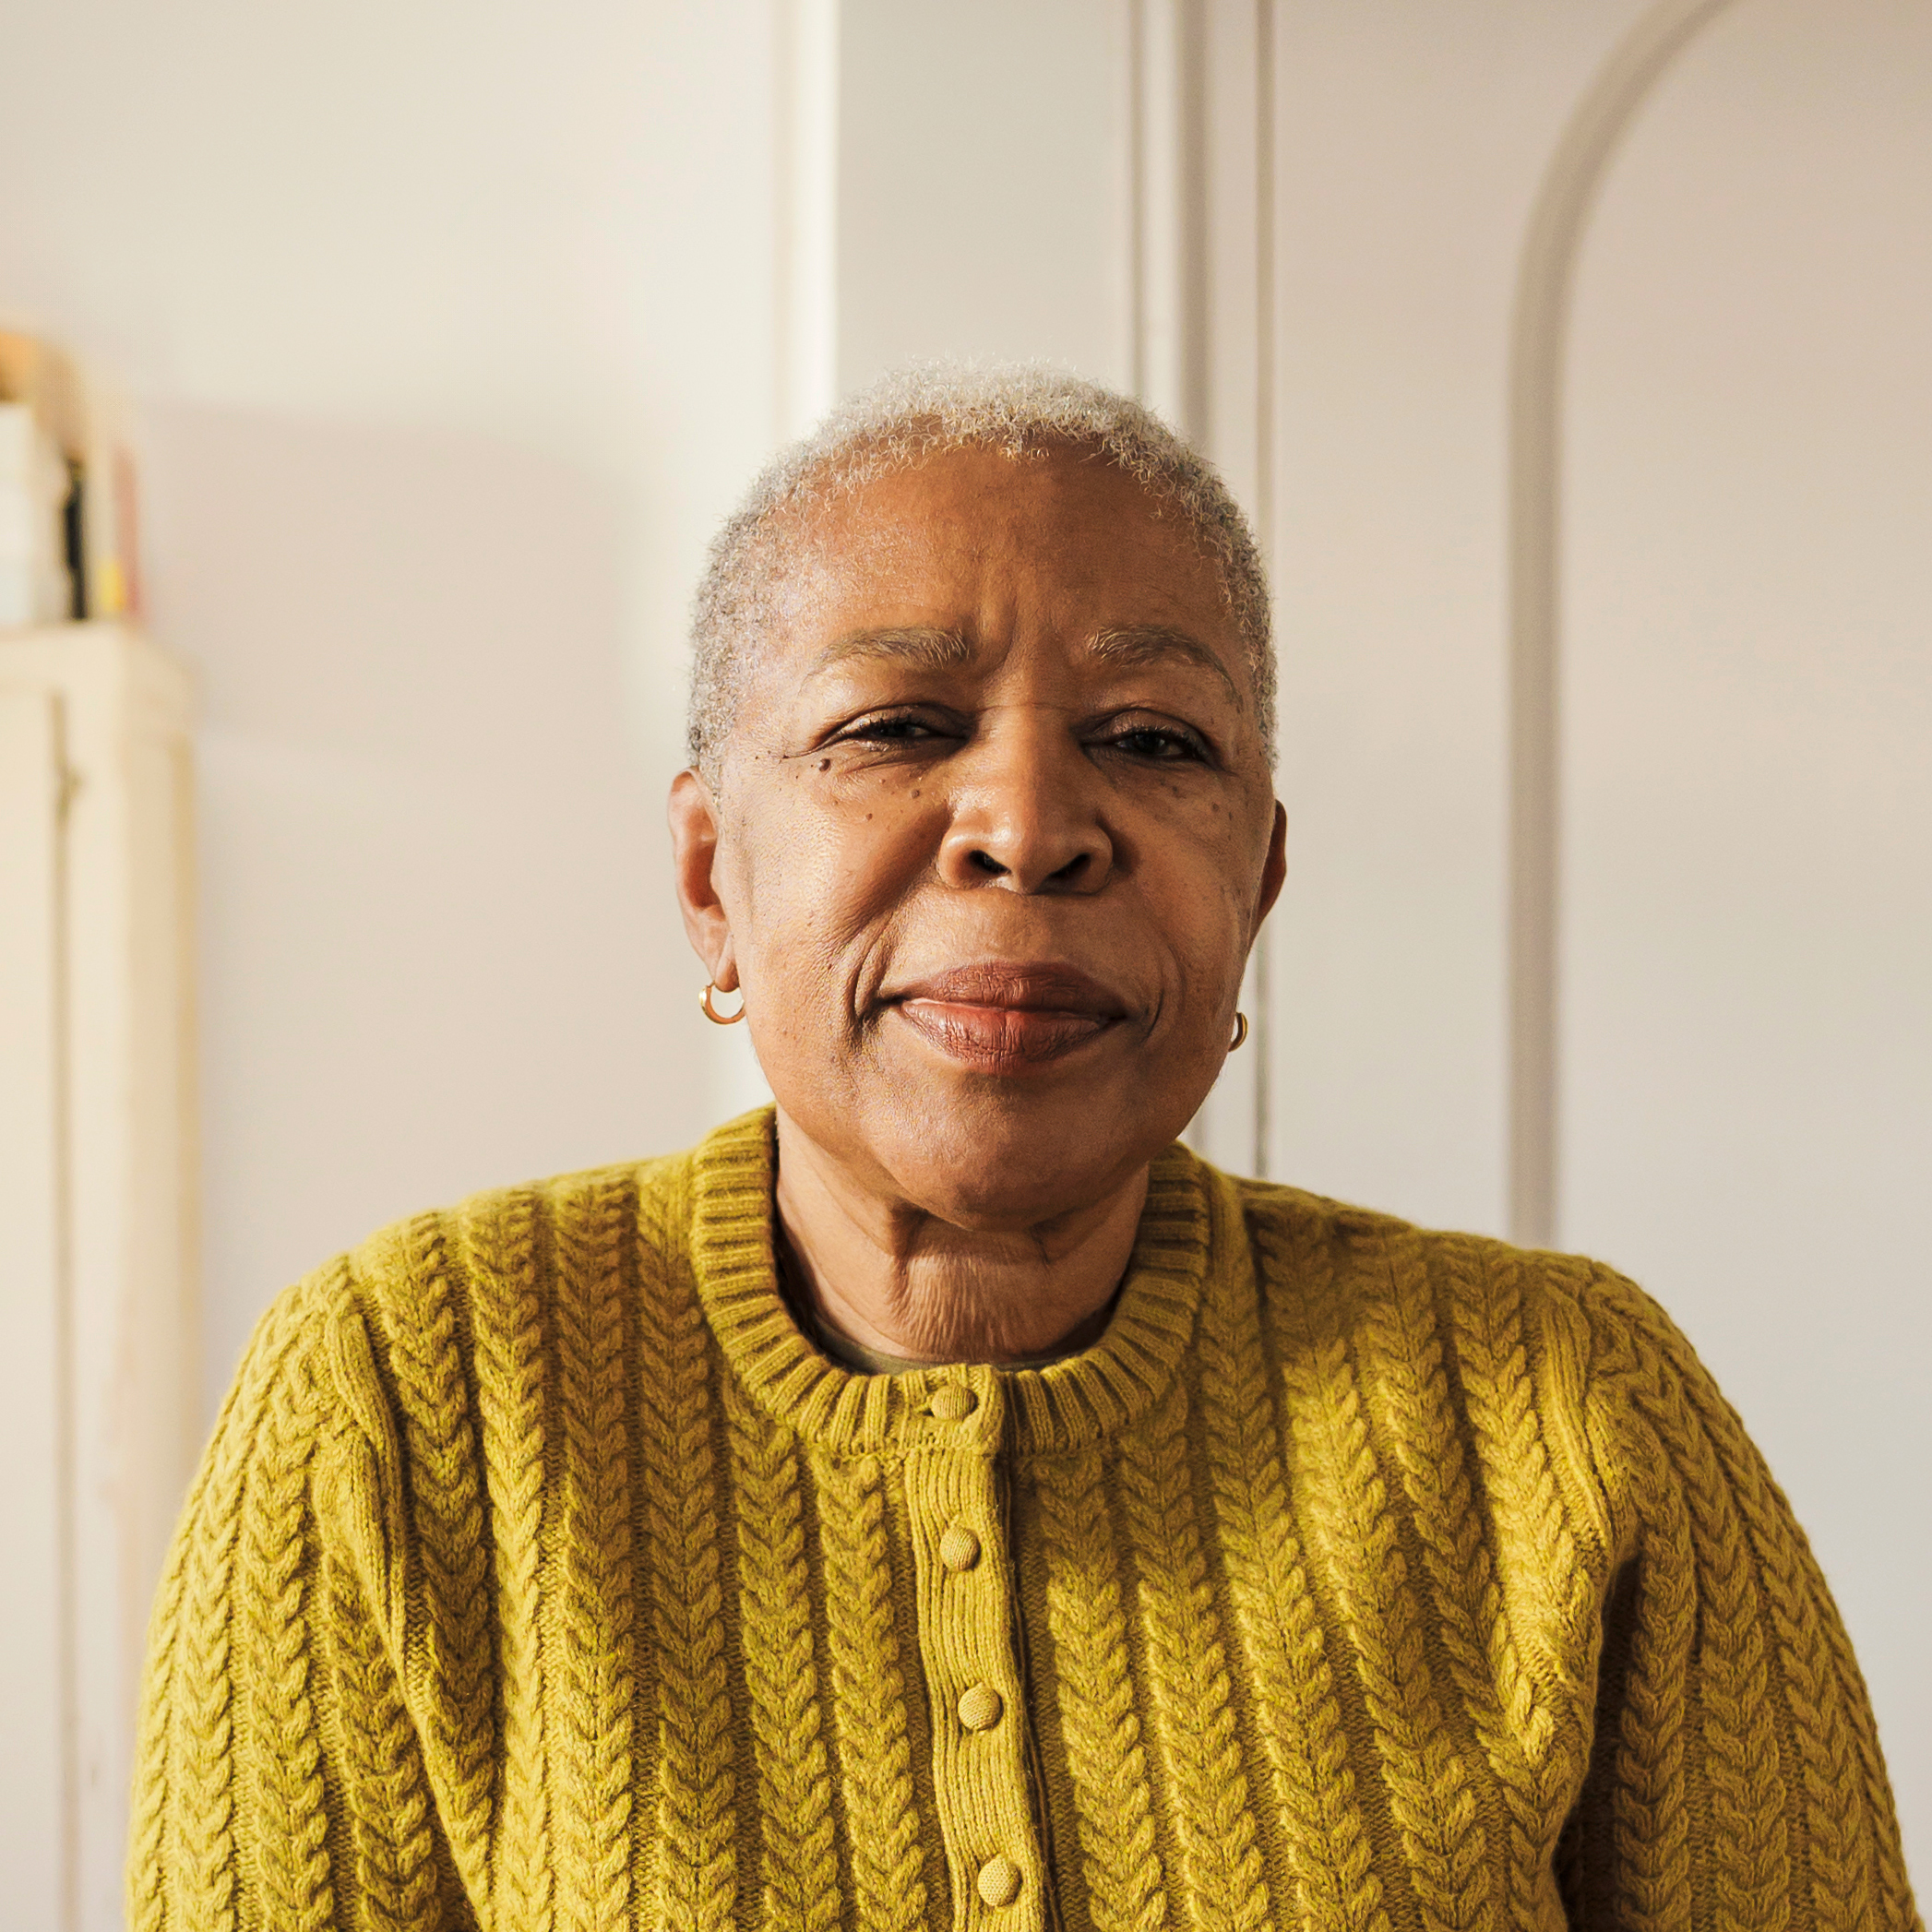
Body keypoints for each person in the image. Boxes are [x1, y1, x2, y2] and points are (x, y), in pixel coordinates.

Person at [130, 365, 1920, 1932]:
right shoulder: (400, 1399)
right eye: (896, 730)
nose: (1031, 827)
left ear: (1257, 890)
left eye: (1152, 743)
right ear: (711, 885)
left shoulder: (1567, 1415)